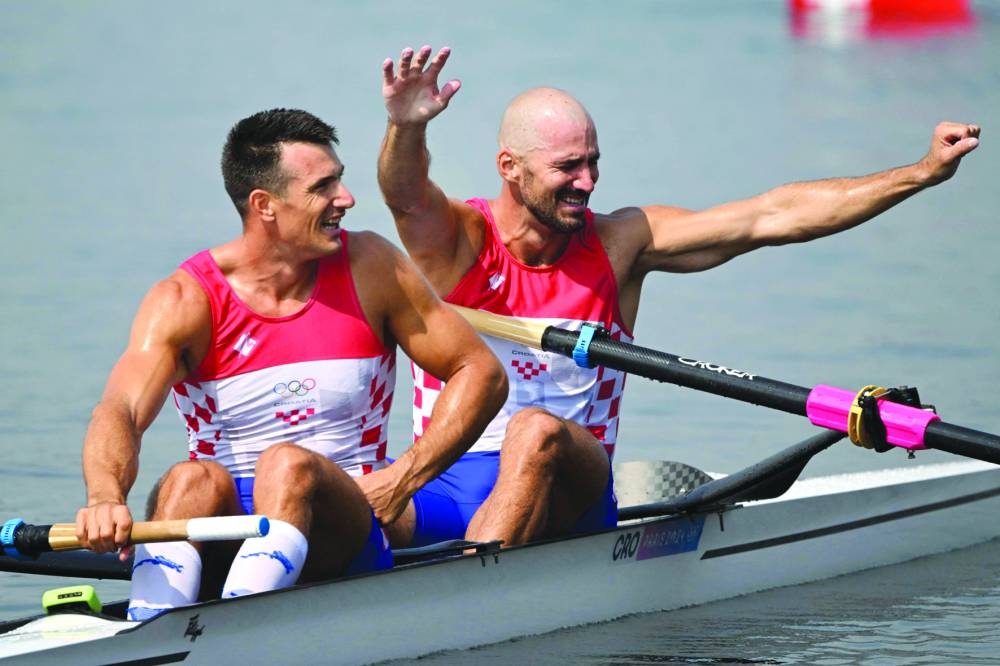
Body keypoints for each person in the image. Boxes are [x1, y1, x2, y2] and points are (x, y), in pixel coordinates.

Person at [377, 45, 981, 549]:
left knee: (535, 430)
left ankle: (472, 598)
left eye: (593, 162)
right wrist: (406, 126)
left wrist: (920, 172)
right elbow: (405, 194)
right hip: (444, 486)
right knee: (310, 483)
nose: (588, 182)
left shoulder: (620, 245)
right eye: (568, 167)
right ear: (510, 167)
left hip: (568, 484)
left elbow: (772, 217)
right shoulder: (461, 242)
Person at [74, 108, 507, 620]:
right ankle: (149, 625)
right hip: (226, 528)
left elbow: (480, 370)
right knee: (190, 481)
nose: (345, 199)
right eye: (324, 187)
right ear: (265, 206)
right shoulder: (184, 300)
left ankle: (242, 629)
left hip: (343, 523)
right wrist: (105, 496)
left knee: (287, 464)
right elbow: (119, 409)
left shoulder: (372, 267)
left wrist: (404, 478)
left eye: (340, 180)